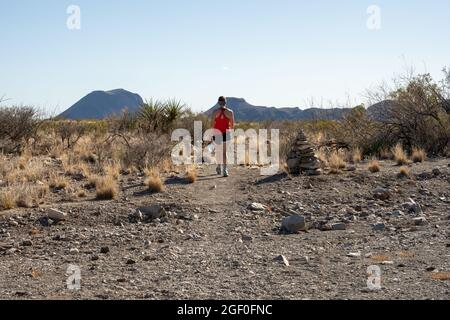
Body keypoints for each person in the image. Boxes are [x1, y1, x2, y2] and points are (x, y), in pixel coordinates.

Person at [212, 96, 235, 177]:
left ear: (218, 103)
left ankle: (219, 167)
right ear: (226, 102)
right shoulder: (230, 112)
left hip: (217, 133)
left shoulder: (215, 112)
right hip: (226, 133)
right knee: (224, 152)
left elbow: (212, 124)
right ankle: (225, 170)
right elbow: (232, 125)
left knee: (218, 151)